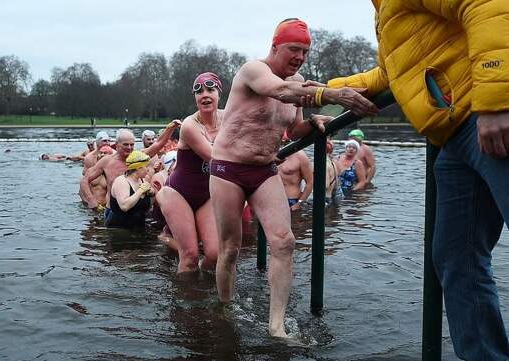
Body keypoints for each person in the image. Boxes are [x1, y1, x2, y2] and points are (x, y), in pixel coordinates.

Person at [327, 1, 509, 358]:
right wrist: (325, 90)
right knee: (456, 257)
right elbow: (390, 75)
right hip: (454, 138)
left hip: (485, 114)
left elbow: (486, 4)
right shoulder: (384, 11)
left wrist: (497, 102)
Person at [209, 18, 378, 338]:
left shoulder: (300, 81)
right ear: (275, 47)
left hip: (264, 168)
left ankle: (277, 326)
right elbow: (280, 91)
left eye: (305, 51)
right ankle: (225, 308)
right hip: (228, 167)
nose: (300, 57)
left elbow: (292, 130)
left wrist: (312, 123)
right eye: (294, 49)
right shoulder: (253, 71)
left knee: (284, 242)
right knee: (230, 247)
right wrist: (332, 94)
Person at [156, 72, 224, 273]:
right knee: (190, 256)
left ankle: (206, 296)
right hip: (178, 193)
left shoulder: (229, 117)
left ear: (219, 92)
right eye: (199, 91)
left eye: (210, 89)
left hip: (206, 195)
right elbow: (215, 158)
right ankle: (185, 303)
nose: (204, 95)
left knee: (214, 254)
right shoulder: (189, 125)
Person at [80, 120, 181, 211]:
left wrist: (170, 128)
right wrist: (90, 200)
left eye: (132, 145)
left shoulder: (139, 156)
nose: (129, 148)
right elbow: (85, 180)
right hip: (115, 211)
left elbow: (159, 143)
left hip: (137, 210)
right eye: (125, 144)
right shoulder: (107, 161)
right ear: (116, 144)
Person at [105, 150, 153, 228]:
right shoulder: (121, 182)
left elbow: (145, 206)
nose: (148, 169)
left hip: (137, 228)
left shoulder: (142, 180)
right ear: (138, 168)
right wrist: (141, 190)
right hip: (118, 230)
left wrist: (151, 194)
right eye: (146, 166)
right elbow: (124, 206)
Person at [79, 145, 115, 211]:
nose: (101, 155)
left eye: (105, 153)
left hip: (104, 208)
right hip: (89, 207)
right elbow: (82, 189)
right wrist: (89, 201)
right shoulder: (91, 171)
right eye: (100, 153)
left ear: (110, 157)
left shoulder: (113, 173)